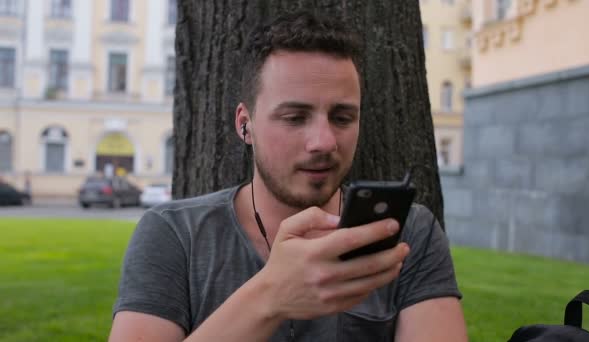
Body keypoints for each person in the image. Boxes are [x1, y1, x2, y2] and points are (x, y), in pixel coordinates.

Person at [109, 11, 467, 342]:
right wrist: (272, 295)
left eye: (342, 118)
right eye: (295, 117)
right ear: (244, 125)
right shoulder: (175, 235)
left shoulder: (404, 233)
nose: (324, 142)